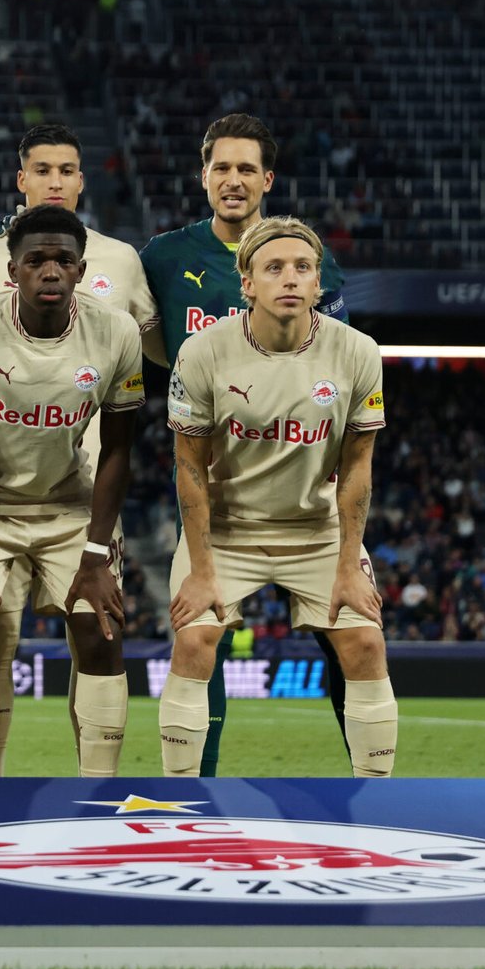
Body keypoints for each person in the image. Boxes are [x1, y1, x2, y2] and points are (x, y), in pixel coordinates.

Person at [0, 122, 156, 776]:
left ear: (83, 271)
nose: (51, 270)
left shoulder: (115, 333)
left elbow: (119, 448)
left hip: (70, 503)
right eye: (36, 261)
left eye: (63, 261)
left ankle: (98, 793)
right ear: (13, 270)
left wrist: (94, 555)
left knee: (100, 626)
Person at [139, 113, 351, 776]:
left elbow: (336, 373)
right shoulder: (166, 258)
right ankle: (198, 792)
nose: (232, 180)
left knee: (348, 637)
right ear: (204, 176)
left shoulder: (307, 261)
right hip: (213, 486)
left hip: (303, 487)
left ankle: (372, 787)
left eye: (245, 168)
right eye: (220, 167)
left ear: (268, 178)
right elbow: (145, 338)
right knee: (205, 636)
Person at [164, 216, 394, 777]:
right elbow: (188, 467)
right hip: (228, 530)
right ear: (247, 283)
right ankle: (181, 801)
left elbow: (358, 467)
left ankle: (378, 800)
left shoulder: (358, 352)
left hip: (317, 528)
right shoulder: (201, 353)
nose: (290, 278)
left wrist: (348, 567)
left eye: (303, 268)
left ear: (319, 284)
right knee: (195, 641)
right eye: (274, 268)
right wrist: (199, 569)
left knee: (364, 642)